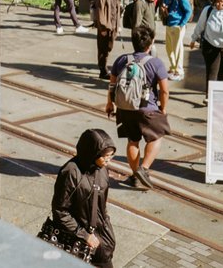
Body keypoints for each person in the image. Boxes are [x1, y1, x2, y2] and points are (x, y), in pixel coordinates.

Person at [106, 26, 170, 190]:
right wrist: (163, 109)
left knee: (132, 141)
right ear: (151, 43)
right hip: (147, 108)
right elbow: (164, 90)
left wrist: (109, 104)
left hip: (125, 108)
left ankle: (134, 176)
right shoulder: (156, 63)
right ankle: (144, 169)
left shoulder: (121, 60)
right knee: (157, 136)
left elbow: (112, 85)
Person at [51, 128, 116, 268]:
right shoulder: (70, 173)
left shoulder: (102, 170)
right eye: (105, 156)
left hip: (101, 238)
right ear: (93, 153)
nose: (108, 160)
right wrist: (84, 235)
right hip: (77, 240)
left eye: (111, 156)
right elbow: (60, 211)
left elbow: (101, 205)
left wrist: (106, 230)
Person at [160, 0, 193, 81]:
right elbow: (165, 6)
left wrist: (182, 24)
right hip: (169, 25)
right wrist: (164, 9)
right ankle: (173, 68)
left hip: (178, 26)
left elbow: (189, 11)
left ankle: (179, 71)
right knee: (169, 49)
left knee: (178, 49)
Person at [94, 0, 121, 79]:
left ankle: (104, 68)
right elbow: (100, 12)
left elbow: (117, 11)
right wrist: (102, 28)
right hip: (105, 27)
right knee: (102, 49)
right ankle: (103, 70)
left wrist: (118, 26)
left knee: (109, 47)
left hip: (113, 26)